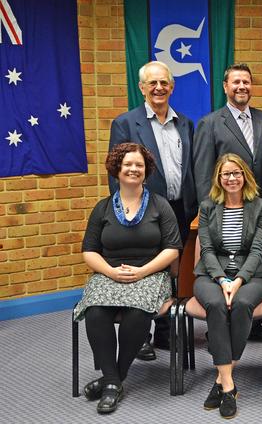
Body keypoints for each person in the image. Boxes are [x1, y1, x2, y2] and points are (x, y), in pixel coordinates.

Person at [73, 143, 182, 414]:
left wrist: (143, 271)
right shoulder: (103, 208)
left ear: (146, 171)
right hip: (109, 273)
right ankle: (114, 380)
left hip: (151, 274)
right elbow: (89, 251)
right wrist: (109, 272)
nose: (134, 169)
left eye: (139, 165)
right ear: (117, 170)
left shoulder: (160, 205)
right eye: (128, 165)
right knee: (95, 311)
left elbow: (172, 248)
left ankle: (112, 380)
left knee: (138, 312)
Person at [109, 60, 197, 361]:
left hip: (179, 208)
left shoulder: (185, 123)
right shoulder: (125, 123)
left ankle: (164, 331)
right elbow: (115, 171)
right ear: (142, 87)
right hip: (143, 210)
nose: (159, 88)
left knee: (172, 269)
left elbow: (190, 169)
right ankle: (140, 335)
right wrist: (125, 212)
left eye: (164, 83)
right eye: (152, 83)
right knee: (145, 267)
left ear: (171, 87)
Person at [193, 63, 262, 342]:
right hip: (224, 206)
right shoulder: (210, 123)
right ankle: (221, 325)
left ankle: (251, 324)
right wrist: (210, 210)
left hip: (258, 208)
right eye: (236, 82)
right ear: (225, 87)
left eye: (246, 82)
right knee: (227, 257)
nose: (242, 87)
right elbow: (205, 172)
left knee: (254, 261)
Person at [193, 153, 262, 419]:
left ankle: (219, 380)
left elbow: (258, 250)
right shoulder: (207, 207)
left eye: (237, 172)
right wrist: (222, 280)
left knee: (241, 303)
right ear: (219, 178)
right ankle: (228, 385)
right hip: (211, 275)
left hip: (252, 276)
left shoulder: (260, 205)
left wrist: (238, 281)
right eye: (226, 174)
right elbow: (207, 249)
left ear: (245, 176)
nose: (232, 178)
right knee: (215, 304)